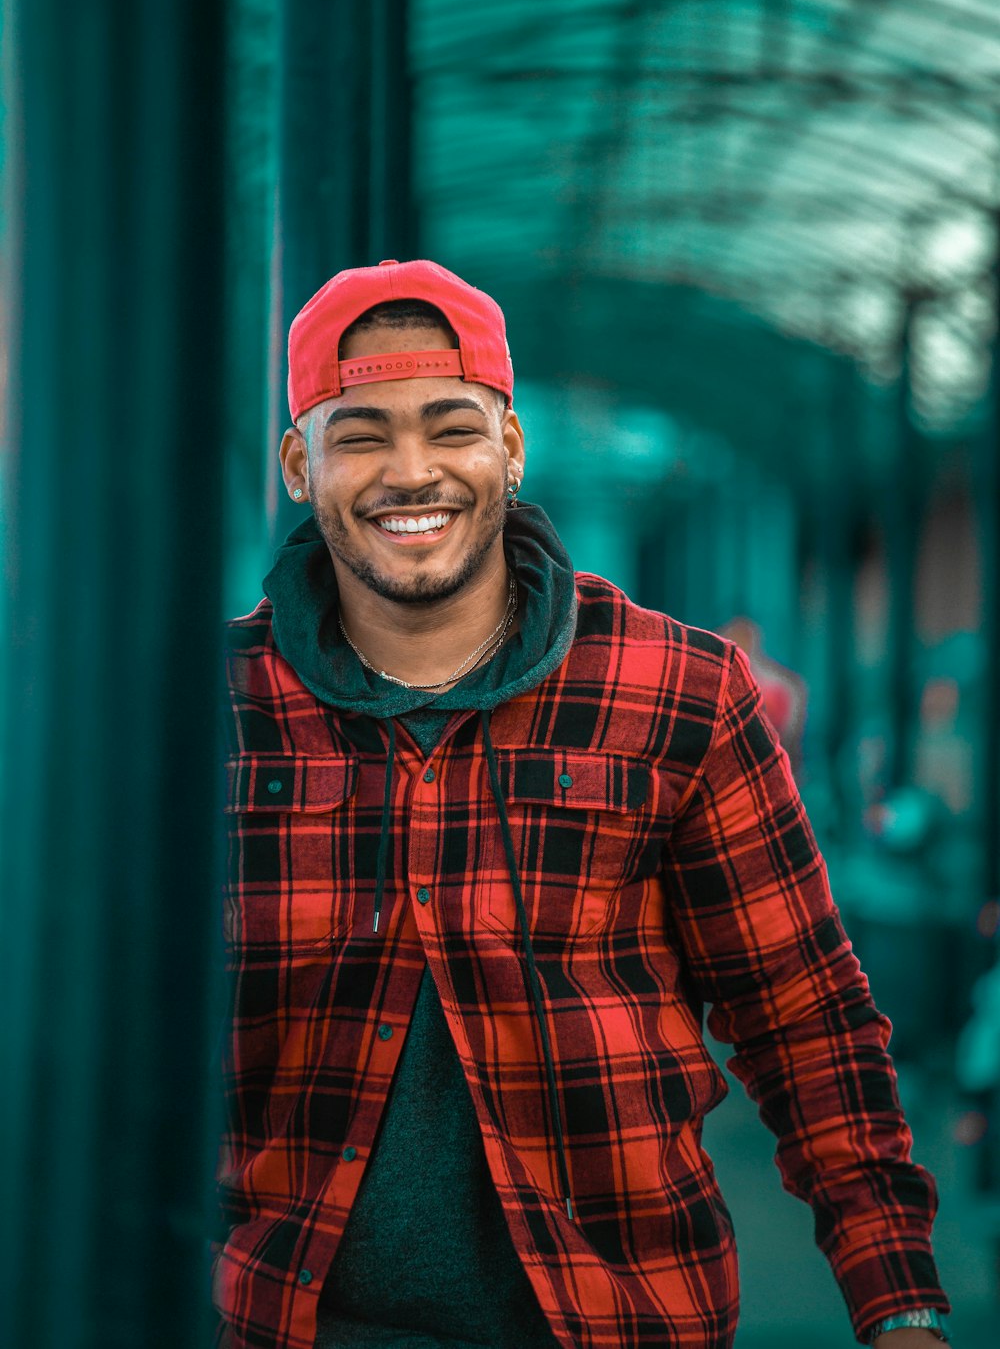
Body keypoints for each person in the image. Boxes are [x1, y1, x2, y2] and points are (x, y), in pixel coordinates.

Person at [214, 259, 951, 1349]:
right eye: (360, 433)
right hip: (277, 1318)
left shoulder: (677, 691)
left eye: (451, 428)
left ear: (509, 448)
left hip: (613, 1317)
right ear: (296, 464)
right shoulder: (211, 713)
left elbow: (803, 1015)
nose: (409, 471)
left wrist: (898, 1301)